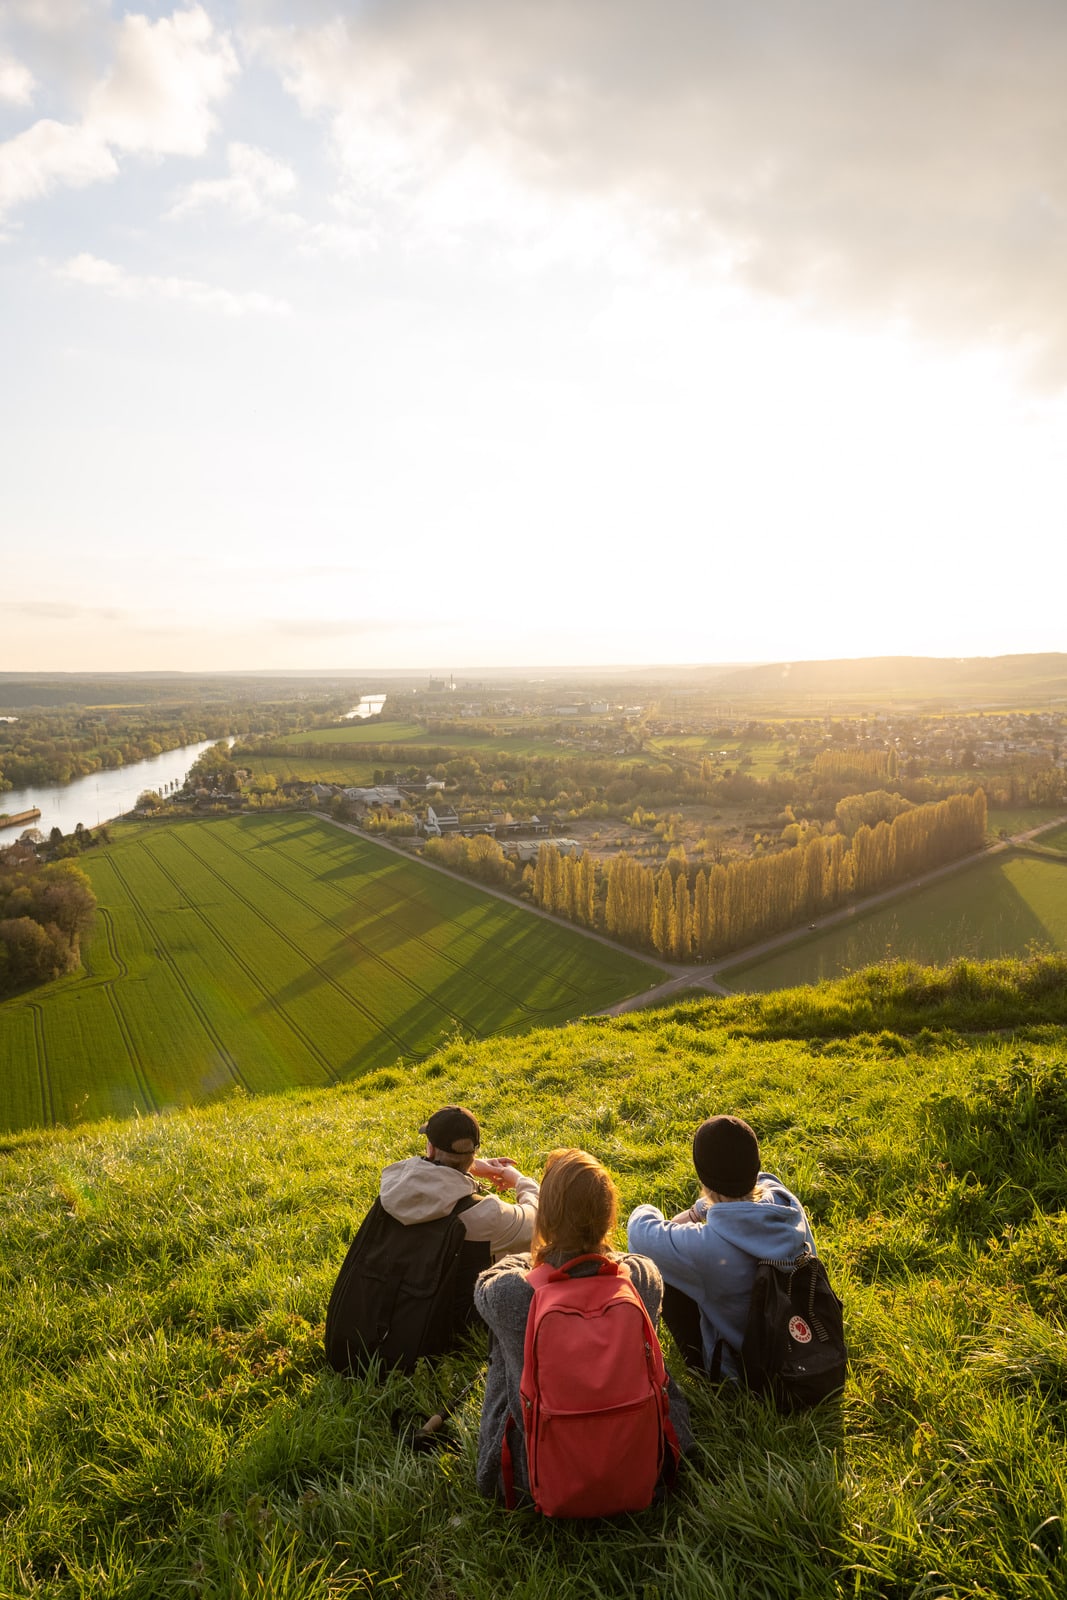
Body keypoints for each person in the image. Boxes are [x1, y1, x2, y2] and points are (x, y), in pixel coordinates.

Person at [474, 1147, 693, 1503]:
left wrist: (537, 1254)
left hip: (528, 1478)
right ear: (609, 1216)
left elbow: (496, 1273)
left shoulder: (508, 1293)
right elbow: (622, 1258)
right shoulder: (642, 1277)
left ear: (545, 1217)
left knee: (506, 1348)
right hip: (646, 1462)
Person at [324, 1105, 540, 1374]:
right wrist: (520, 1180)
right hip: (433, 1342)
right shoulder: (484, 1215)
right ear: (473, 1153)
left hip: (359, 1330)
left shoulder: (392, 1185)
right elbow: (538, 1219)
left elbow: (428, 1174)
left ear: (430, 1148)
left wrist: (472, 1169)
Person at [627, 1114, 816, 1382]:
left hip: (747, 1374)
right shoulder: (785, 1201)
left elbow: (639, 1229)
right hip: (807, 1342)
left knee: (658, 1264)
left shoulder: (707, 1248)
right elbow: (755, 1187)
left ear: (703, 1178)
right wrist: (700, 1209)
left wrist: (691, 1211)